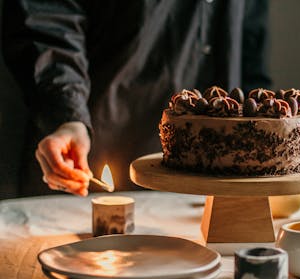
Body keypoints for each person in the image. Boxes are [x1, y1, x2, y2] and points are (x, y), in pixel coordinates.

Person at [2, 0, 271, 197]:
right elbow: (47, 18)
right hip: (94, 146)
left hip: (213, 186)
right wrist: (68, 115)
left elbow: (249, 42)